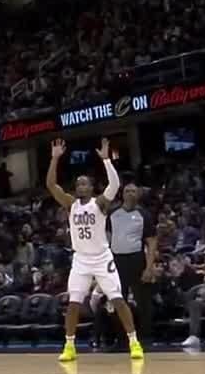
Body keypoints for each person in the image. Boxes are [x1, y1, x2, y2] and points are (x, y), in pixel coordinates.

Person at [46, 138, 144, 362]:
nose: (81, 186)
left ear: (91, 188)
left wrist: (106, 160)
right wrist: (54, 158)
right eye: (78, 184)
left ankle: (134, 342)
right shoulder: (70, 204)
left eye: (85, 184)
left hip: (102, 258)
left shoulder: (99, 203)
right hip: (80, 260)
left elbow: (115, 185)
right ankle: (69, 346)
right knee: (73, 303)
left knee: (118, 299)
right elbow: (52, 185)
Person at [109, 183, 158, 341]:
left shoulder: (144, 215)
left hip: (136, 259)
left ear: (138, 195)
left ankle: (145, 337)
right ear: (122, 194)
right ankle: (121, 338)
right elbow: (106, 238)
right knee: (118, 300)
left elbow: (151, 242)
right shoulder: (112, 213)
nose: (130, 194)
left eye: (133, 191)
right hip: (117, 260)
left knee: (143, 301)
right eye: (127, 191)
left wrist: (149, 267)